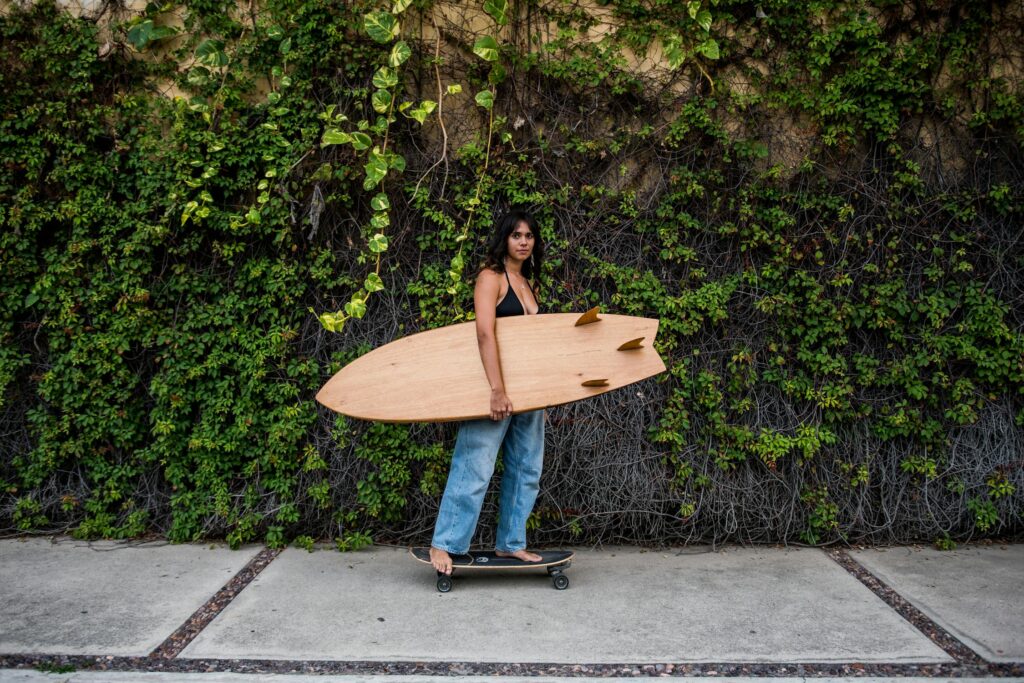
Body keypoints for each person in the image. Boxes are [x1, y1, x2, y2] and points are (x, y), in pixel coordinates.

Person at [429, 210, 546, 576]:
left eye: (529, 236)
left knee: (527, 468)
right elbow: (484, 333)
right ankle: (444, 542)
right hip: (493, 388)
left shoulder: (528, 284)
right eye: (516, 235)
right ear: (504, 239)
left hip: (529, 393)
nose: (524, 242)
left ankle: (511, 544)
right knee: (475, 465)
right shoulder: (490, 278)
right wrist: (497, 389)